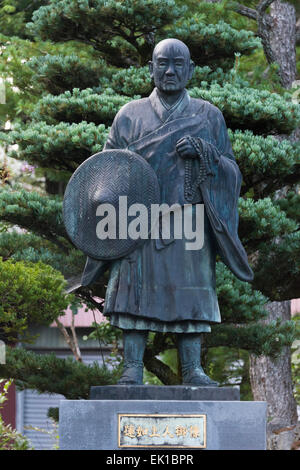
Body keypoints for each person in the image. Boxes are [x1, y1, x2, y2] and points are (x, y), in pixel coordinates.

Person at [80, 38, 253, 386]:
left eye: (178, 64)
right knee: (133, 291)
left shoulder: (208, 116)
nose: (170, 70)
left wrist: (205, 153)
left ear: (190, 70)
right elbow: (105, 170)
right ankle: (131, 369)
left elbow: (231, 171)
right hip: (138, 222)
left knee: (191, 292)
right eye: (163, 63)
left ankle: (192, 369)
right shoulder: (129, 116)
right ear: (151, 68)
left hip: (189, 221)